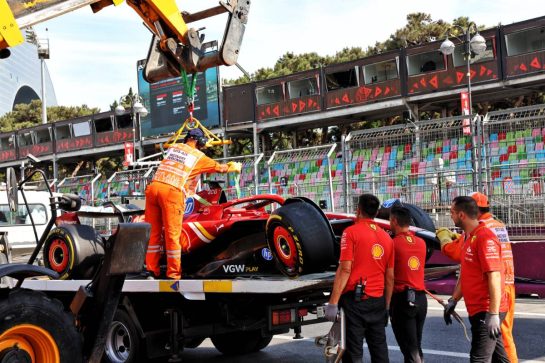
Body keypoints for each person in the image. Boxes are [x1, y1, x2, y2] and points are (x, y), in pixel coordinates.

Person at [145, 128, 241, 279]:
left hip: (153, 188)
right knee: (173, 235)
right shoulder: (198, 156)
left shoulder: (175, 148)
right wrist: (231, 167)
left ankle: (151, 269)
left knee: (154, 233)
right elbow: (219, 168)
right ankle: (173, 273)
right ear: (198, 141)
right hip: (171, 192)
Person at [437, 192, 517, 362]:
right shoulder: (470, 236)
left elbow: (494, 275)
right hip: (485, 305)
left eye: (451, 212)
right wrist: (453, 300)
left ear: (461, 214)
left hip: (486, 308)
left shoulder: (484, 236)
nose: (449, 215)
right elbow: (466, 272)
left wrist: (493, 314)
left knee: (479, 359)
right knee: (500, 357)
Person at [325, 193, 394, 363]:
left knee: (353, 353)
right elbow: (390, 277)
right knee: (380, 351)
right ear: (376, 213)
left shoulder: (350, 233)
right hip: (377, 300)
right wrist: (386, 306)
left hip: (355, 303)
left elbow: (345, 269)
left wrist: (333, 303)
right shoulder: (387, 238)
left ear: (358, 210)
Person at [389, 205, 427, 363]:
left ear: (394, 221)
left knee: (410, 351)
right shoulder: (421, 243)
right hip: (420, 299)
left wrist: (385, 305)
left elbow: (389, 276)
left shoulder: (393, 244)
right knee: (415, 347)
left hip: (402, 300)